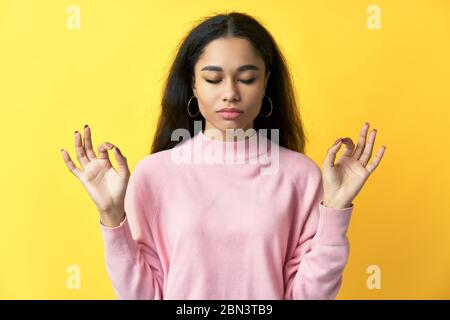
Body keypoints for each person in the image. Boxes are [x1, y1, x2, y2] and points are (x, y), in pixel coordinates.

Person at [61, 11, 386, 300]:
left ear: (265, 83)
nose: (230, 93)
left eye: (246, 78)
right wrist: (111, 214)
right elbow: (143, 295)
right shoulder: (153, 175)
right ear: (192, 84)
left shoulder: (300, 175)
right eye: (213, 79)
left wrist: (336, 210)